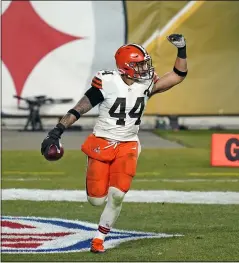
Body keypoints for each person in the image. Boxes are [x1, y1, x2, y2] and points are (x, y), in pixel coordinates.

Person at [40, 34, 188, 253]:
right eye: (139, 65)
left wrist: (182, 49)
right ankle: (95, 175)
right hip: (102, 141)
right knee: (96, 201)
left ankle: (99, 238)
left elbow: (178, 75)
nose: (145, 69)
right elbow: (80, 108)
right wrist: (56, 131)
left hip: (128, 144)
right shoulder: (107, 82)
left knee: (118, 195)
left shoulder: (146, 83)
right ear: (125, 67)